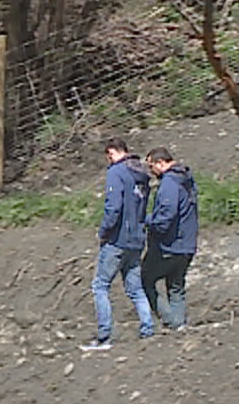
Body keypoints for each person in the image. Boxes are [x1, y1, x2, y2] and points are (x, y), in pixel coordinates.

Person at [84, 138, 152, 349]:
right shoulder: (141, 173)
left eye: (109, 156)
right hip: (137, 239)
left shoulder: (116, 172)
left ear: (113, 152)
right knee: (135, 288)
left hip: (118, 239)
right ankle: (147, 329)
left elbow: (113, 207)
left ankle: (104, 336)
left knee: (100, 286)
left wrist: (103, 232)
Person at [141, 148, 199, 331]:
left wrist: (146, 220)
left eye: (151, 166)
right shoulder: (187, 180)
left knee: (144, 280)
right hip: (188, 245)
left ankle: (170, 320)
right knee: (176, 286)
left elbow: (165, 218)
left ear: (160, 163)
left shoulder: (169, 184)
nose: (151, 171)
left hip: (169, 246)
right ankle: (179, 325)